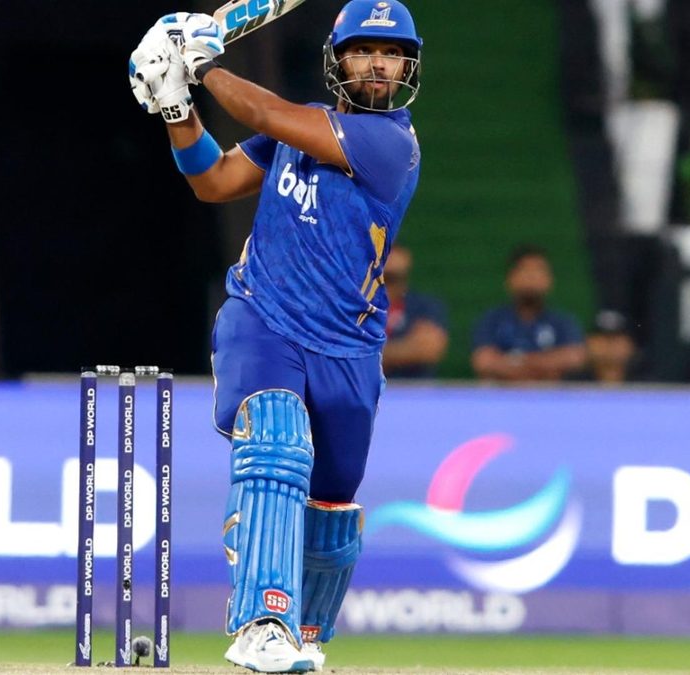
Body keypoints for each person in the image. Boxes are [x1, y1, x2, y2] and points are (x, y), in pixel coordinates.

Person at [130, 1, 423, 671]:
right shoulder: (300, 129)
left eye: (392, 53)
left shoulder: (391, 144)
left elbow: (261, 112)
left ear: (409, 67)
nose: (379, 64)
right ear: (337, 61)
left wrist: (201, 64)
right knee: (276, 443)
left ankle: (303, 633)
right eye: (364, 50)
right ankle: (262, 622)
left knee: (332, 506)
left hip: (348, 347)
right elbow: (215, 180)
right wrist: (176, 107)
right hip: (263, 319)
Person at [471, 244, 587, 382]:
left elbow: (574, 358)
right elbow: (483, 362)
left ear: (550, 280)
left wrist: (514, 362)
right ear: (510, 279)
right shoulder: (492, 320)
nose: (532, 277)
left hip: (550, 394)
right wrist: (546, 366)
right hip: (503, 394)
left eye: (539, 270)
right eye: (525, 270)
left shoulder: (563, 322)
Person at [381, 244, 448, 378]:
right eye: (385, 278)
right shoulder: (354, 306)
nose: (389, 286)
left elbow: (429, 349)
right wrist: (407, 347)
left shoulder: (424, 306)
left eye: (396, 278)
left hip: (412, 388)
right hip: (361, 387)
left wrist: (368, 352)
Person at [584, 309, 638, 383]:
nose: (610, 346)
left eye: (616, 338)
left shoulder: (648, 383)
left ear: (631, 345)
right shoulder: (572, 383)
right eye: (603, 338)